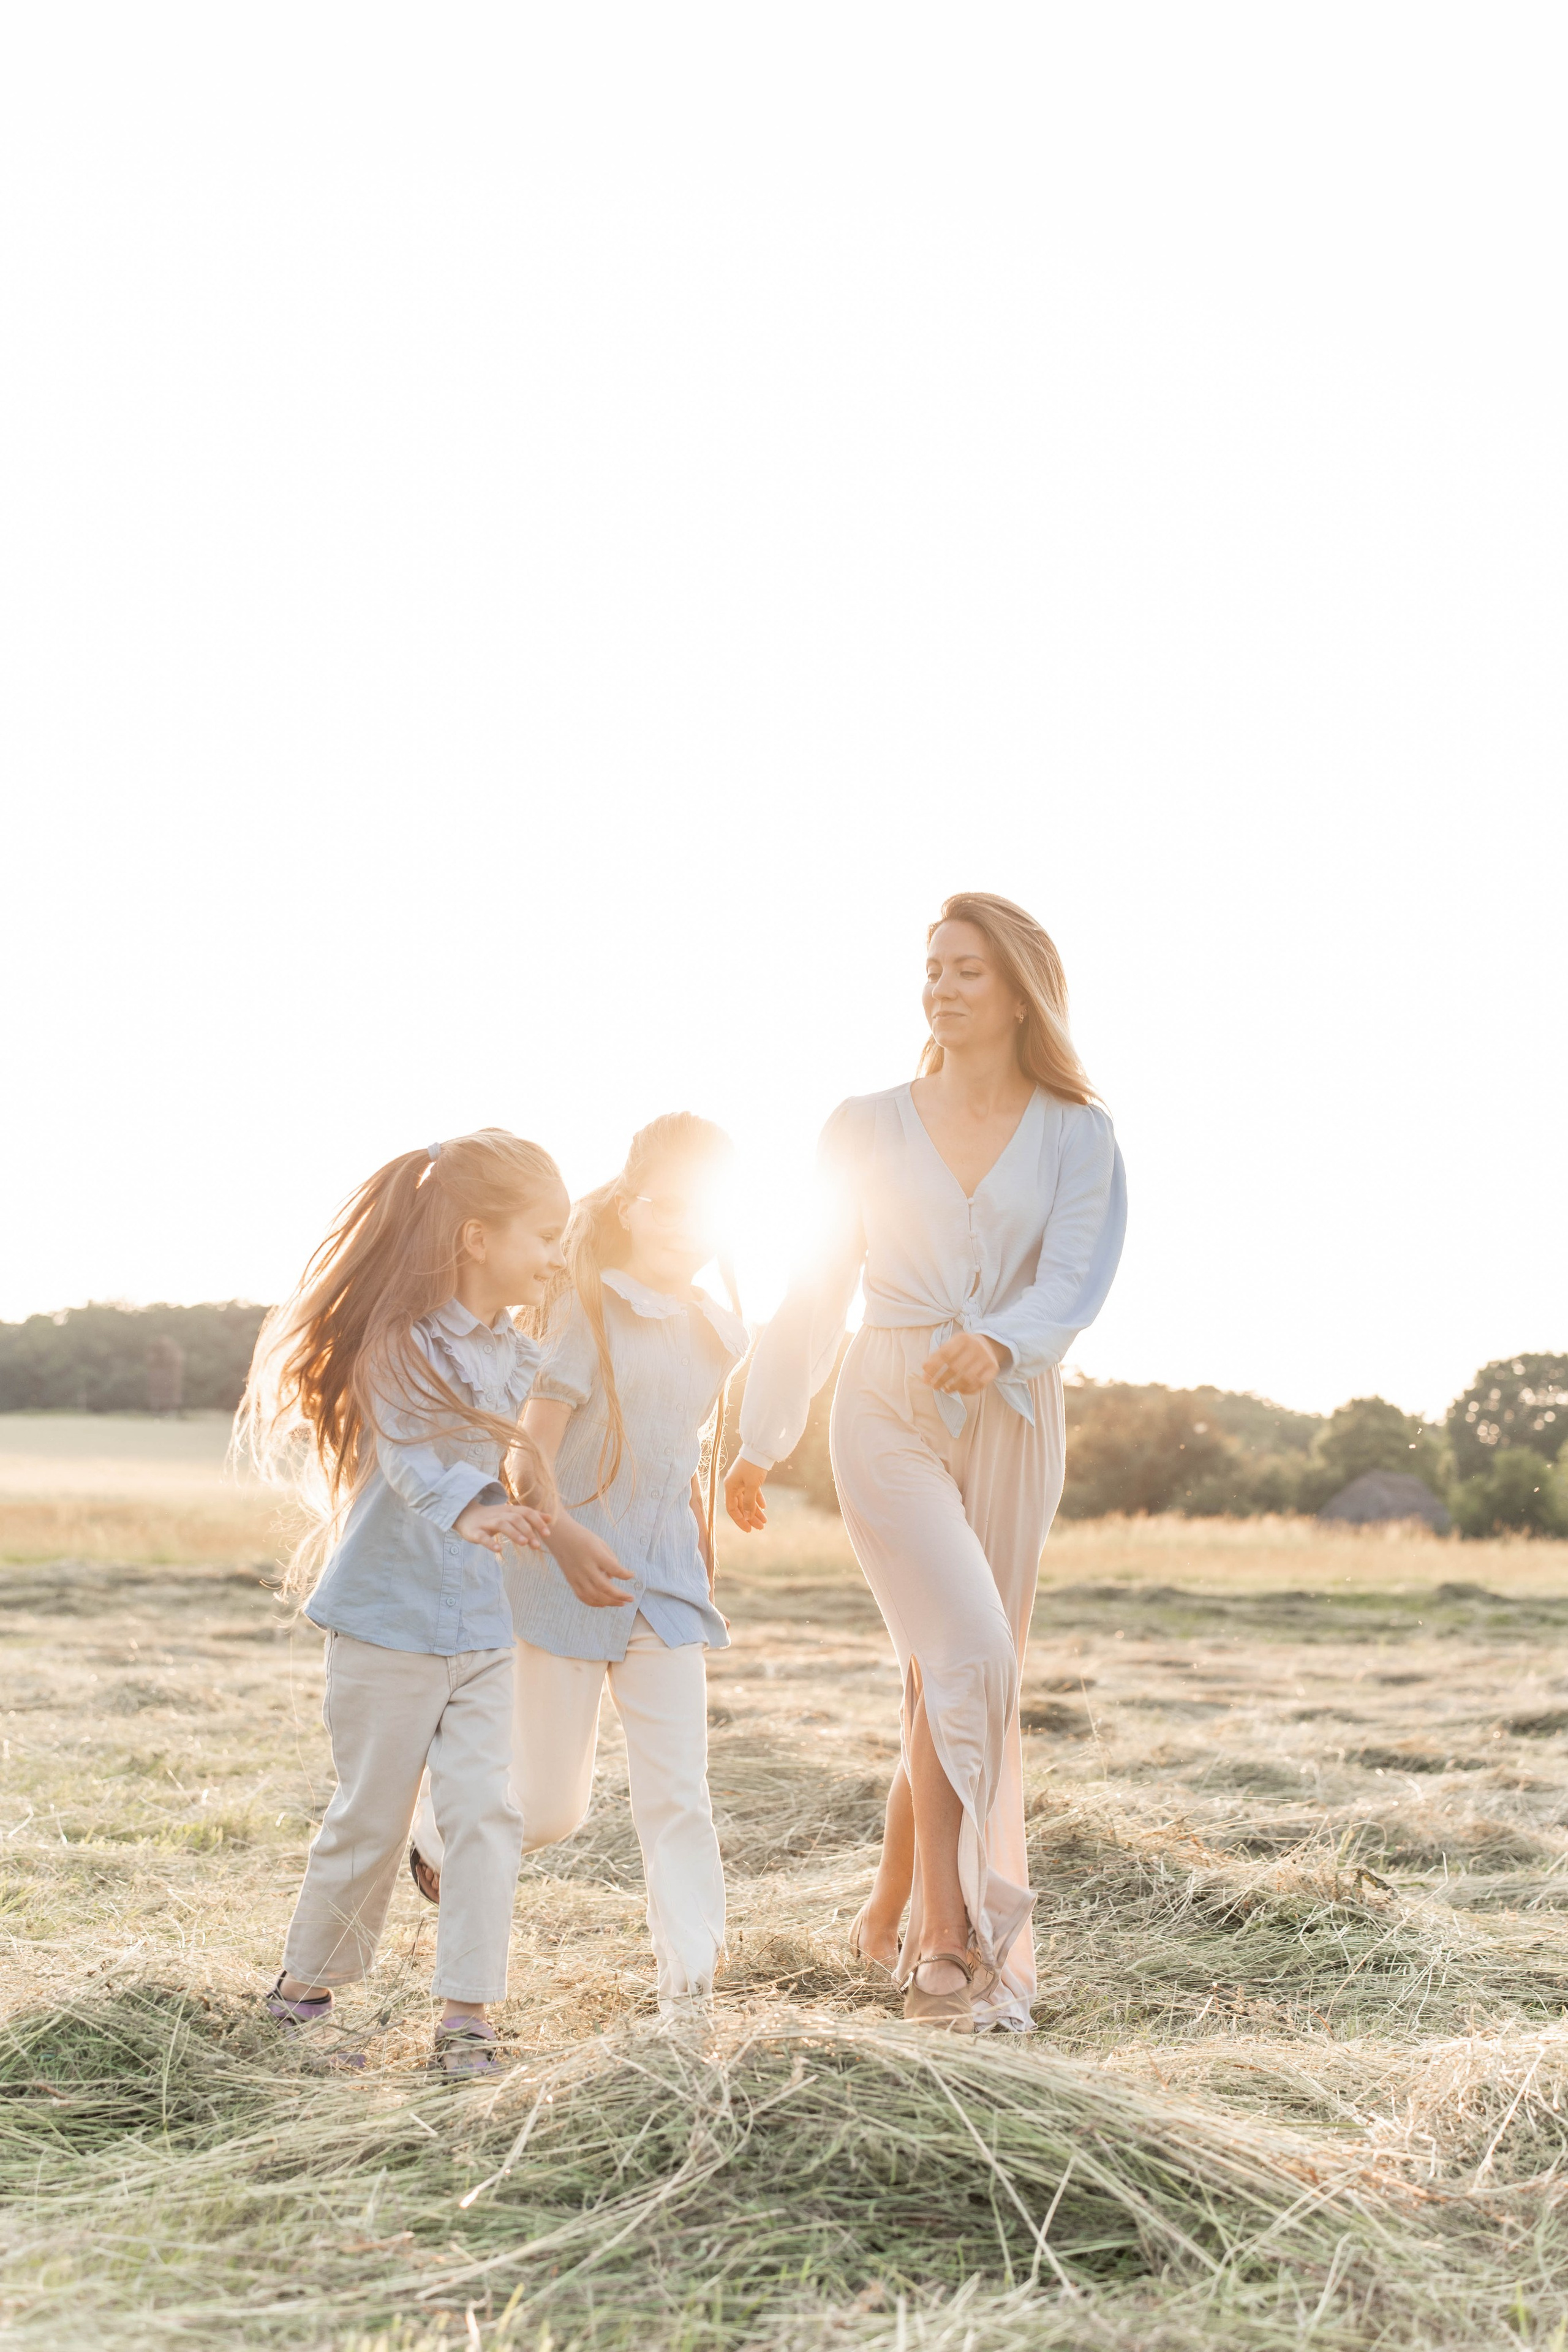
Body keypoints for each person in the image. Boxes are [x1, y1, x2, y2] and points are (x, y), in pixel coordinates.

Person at [726, 894, 1126, 2034]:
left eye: (968, 971)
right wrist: (760, 1437)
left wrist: (1000, 1341)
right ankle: (951, 1940)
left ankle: (886, 1908)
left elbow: (1076, 1282)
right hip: (887, 1399)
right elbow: (816, 1285)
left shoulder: (1080, 1133)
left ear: (1021, 994)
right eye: (934, 968)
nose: (942, 989)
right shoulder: (864, 1123)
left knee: (944, 1674)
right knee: (972, 1654)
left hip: (1013, 1406)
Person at [239, 1129, 568, 2076]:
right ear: (477, 1237)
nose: (556, 1256)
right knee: (373, 1819)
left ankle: (466, 2015)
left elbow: (524, 1457)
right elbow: (416, 1462)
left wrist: (545, 1510)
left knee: (487, 1814)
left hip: (481, 1628)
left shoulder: (519, 1356)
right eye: (545, 1235)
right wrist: (476, 1509)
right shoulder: (398, 1347)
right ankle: (305, 1992)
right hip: (386, 1626)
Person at [409, 1113, 745, 2021]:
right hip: (558, 1578)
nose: (687, 1227)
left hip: (664, 1589)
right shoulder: (584, 1312)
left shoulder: (721, 1331)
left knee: (679, 1795)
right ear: (631, 1208)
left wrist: (701, 1544)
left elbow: (680, 1453)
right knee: (552, 1810)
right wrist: (562, 1537)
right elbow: (529, 1456)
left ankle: (690, 1998)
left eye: (707, 1209)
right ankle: (435, 1830)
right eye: (669, 1206)